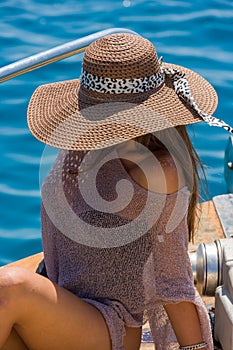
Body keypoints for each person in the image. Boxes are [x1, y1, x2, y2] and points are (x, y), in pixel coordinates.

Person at [0, 33, 232, 350]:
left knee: (10, 288)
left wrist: (197, 348)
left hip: (108, 327)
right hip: (62, 304)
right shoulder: (85, 140)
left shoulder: (159, 172)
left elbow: (172, 281)